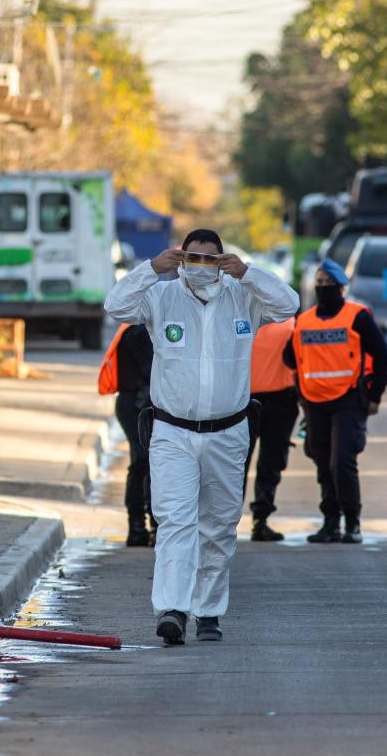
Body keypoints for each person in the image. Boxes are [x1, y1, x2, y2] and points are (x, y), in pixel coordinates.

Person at [104, 229, 298, 645]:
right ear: (182, 258)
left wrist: (248, 274)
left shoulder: (243, 297)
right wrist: (151, 269)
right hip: (173, 430)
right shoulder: (162, 297)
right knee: (175, 521)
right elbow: (116, 306)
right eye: (194, 259)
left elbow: (289, 305)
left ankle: (208, 610)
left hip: (229, 432)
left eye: (211, 260)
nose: (202, 268)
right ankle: (173, 608)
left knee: (219, 526)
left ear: (223, 262)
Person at [285, 258, 387, 545]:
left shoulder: (357, 317)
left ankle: (352, 521)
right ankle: (330, 521)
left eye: (329, 285)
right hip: (314, 402)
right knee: (321, 461)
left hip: (348, 400)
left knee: (341, 461)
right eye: (319, 285)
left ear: (342, 289)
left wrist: (374, 395)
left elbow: (382, 356)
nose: (323, 289)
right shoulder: (303, 320)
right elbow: (289, 356)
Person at [99, 322, 157, 546]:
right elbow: (153, 369)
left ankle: (145, 526)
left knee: (145, 462)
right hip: (137, 404)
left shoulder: (138, 327)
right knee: (145, 461)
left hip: (137, 403)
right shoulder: (139, 330)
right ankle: (140, 526)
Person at [243, 318, 299, 542]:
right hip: (246, 402)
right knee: (243, 464)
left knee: (267, 463)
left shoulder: (291, 324)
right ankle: (256, 520)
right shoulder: (291, 323)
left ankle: (259, 519)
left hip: (275, 401)